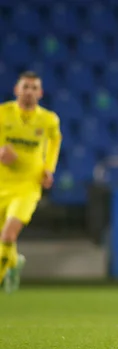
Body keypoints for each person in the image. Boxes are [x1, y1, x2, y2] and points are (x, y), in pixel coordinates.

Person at [0, 71, 62, 293]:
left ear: (40, 93)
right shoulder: (3, 114)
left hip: (28, 186)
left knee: (7, 234)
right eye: (25, 86)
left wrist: (48, 168)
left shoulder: (48, 119)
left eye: (34, 87)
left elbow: (55, 141)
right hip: (2, 183)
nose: (29, 91)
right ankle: (14, 263)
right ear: (17, 90)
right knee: (3, 242)